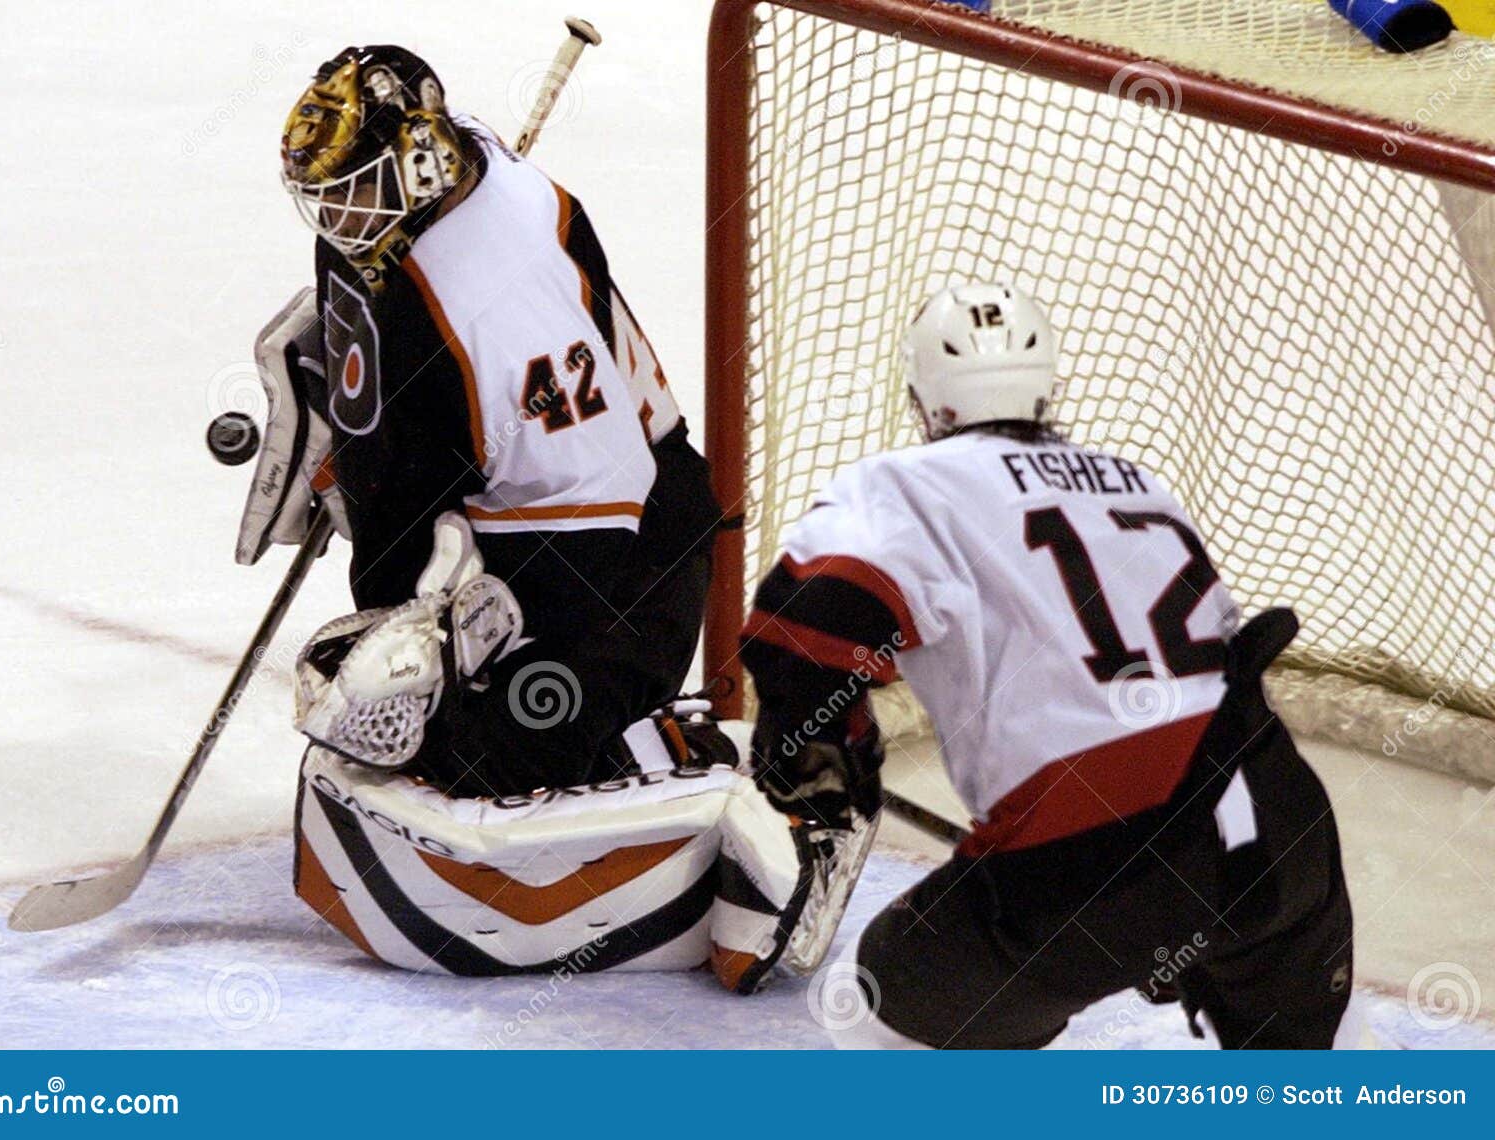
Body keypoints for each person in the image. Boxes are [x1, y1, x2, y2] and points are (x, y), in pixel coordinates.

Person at [739, 282, 1357, 1048]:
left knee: (878, 1003)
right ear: (1049, 389)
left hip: (1094, 856)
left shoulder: (902, 487)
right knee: (1310, 1093)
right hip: (1280, 818)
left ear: (923, 402)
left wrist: (822, 755)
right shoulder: (1143, 485)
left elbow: (804, 632)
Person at [235, 45, 722, 796]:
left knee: (502, 750)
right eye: (326, 196)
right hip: (568, 500)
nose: (337, 218)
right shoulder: (458, 188)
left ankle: (651, 747)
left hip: (631, 550)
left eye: (353, 193)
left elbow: (604, 506)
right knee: (407, 693)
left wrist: (412, 612)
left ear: (424, 162)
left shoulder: (477, 318)